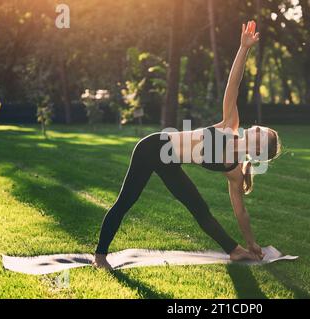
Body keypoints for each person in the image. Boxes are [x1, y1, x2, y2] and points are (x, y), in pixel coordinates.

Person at [92, 20, 281, 270]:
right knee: (126, 201)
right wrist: (244, 48)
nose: (255, 128)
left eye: (259, 133)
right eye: (258, 128)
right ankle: (100, 256)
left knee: (200, 209)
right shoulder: (229, 125)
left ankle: (235, 251)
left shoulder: (235, 172)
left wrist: (252, 242)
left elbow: (241, 212)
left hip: (170, 163)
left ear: (257, 151)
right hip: (152, 149)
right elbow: (232, 85)